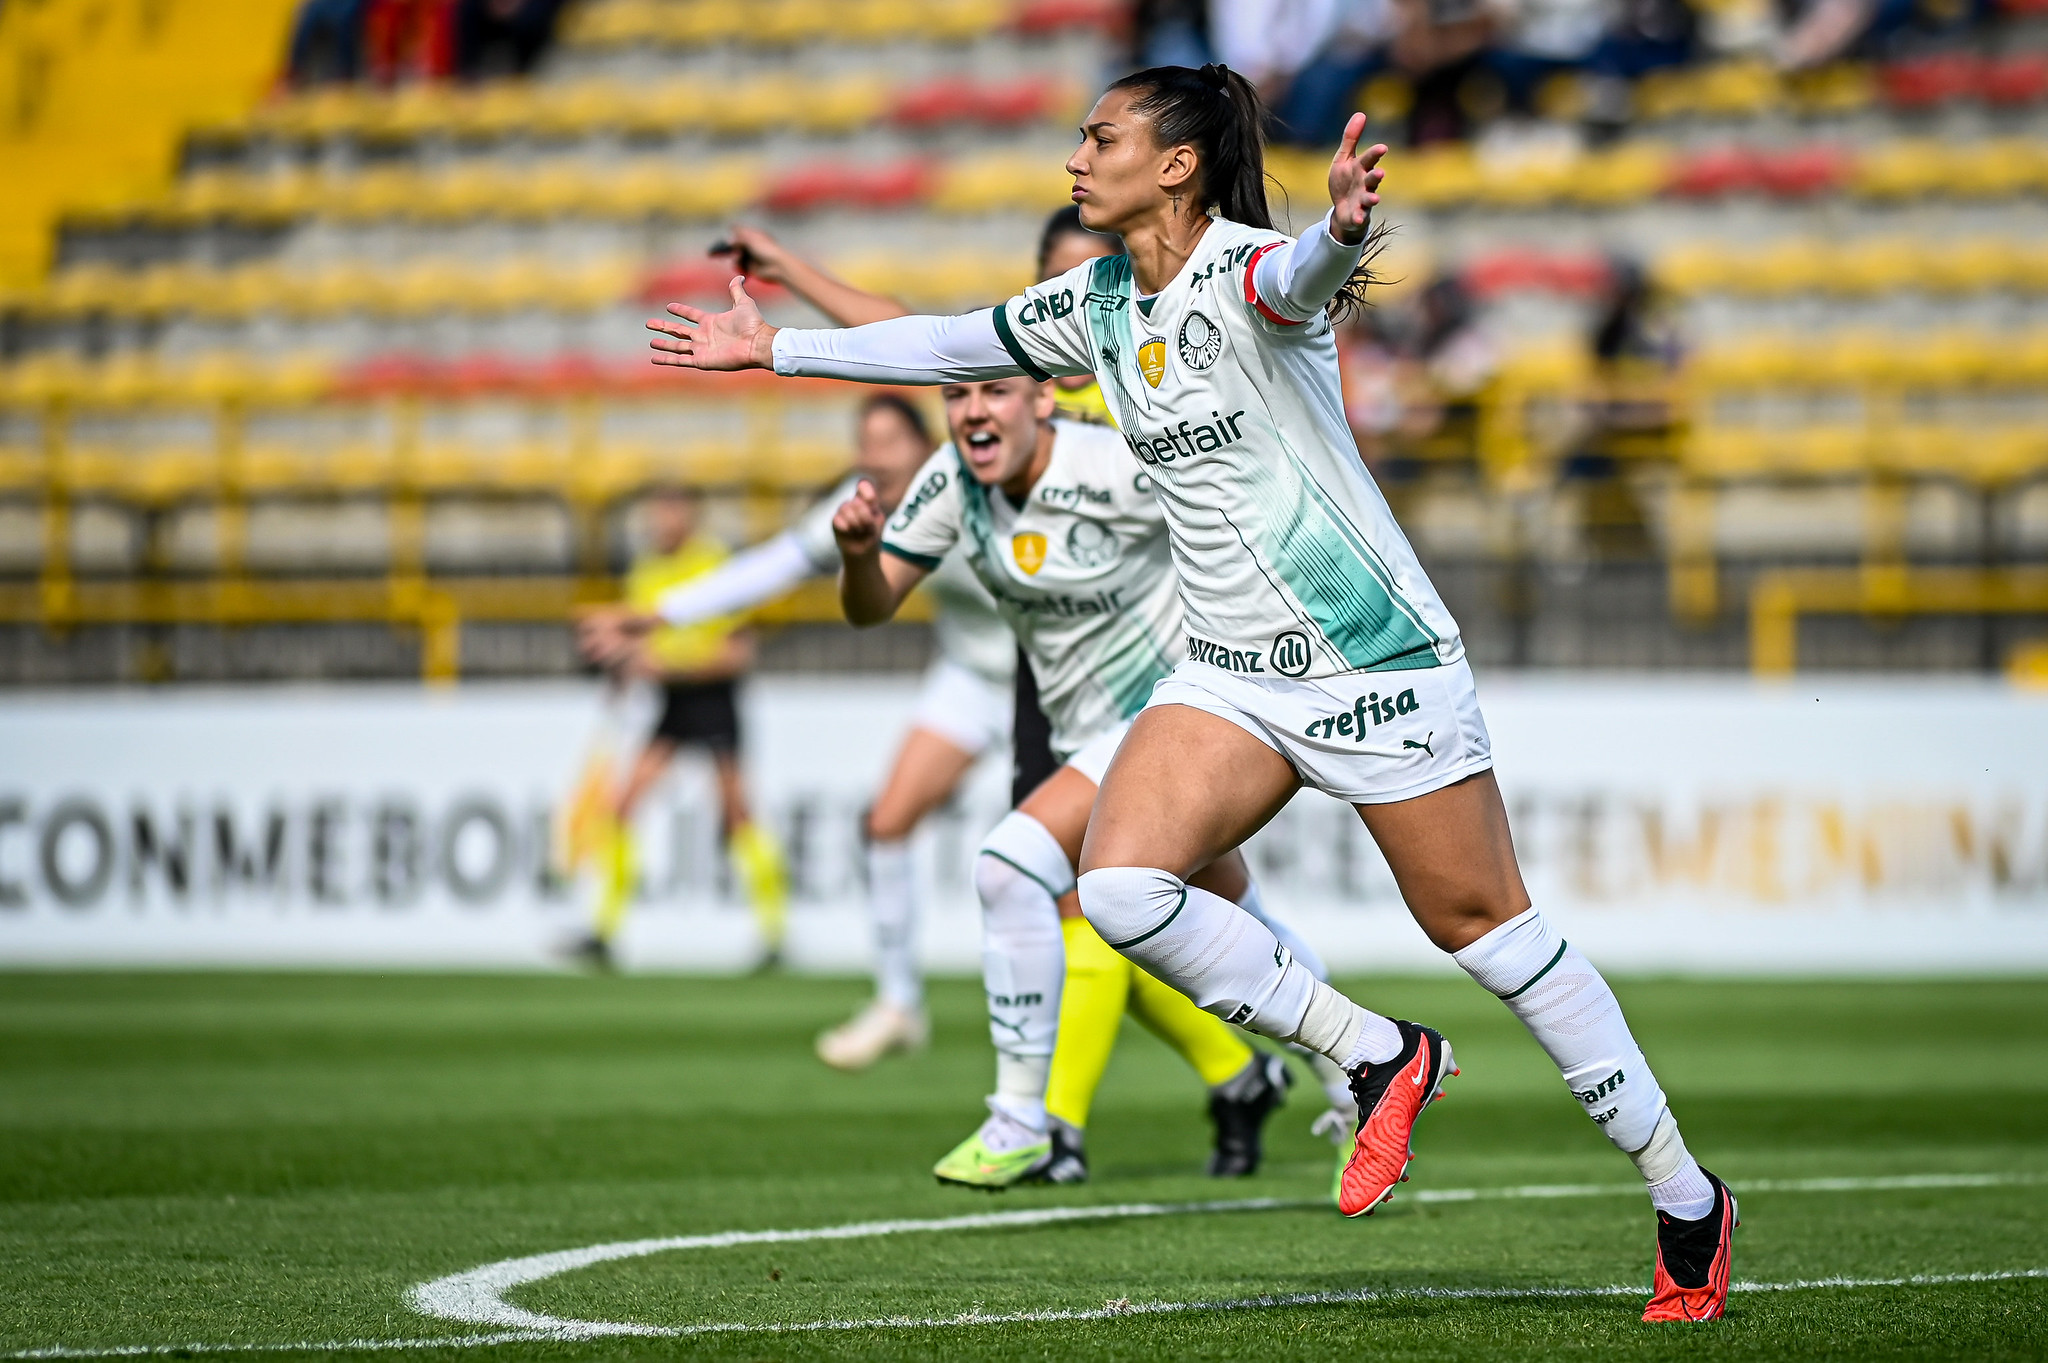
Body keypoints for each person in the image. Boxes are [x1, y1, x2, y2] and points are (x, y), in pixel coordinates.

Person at [645, 62, 1736, 1323]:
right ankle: (1372, 1051)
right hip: (1225, 674)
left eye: (1098, 136)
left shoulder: (1246, 273)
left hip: (1370, 659)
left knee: (1486, 933)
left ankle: (1680, 1190)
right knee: (1113, 886)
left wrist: (1336, 235)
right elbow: (945, 339)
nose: (1073, 156)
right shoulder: (1096, 301)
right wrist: (770, 348)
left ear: (1173, 165)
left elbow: (1299, 283)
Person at [829, 375, 1317, 1188]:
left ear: (1044, 399)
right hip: (1079, 735)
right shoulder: (952, 482)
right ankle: (1357, 1064)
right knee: (1231, 919)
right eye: (958, 395)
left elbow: (1246, 512)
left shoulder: (1117, 463)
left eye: (994, 390)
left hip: (1175, 714)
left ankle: (1029, 1119)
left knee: (1011, 866)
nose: (974, 409)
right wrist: (854, 557)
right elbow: (871, 605)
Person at [579, 392, 1007, 1065]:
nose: (873, 455)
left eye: (889, 441)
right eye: (864, 441)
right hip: (973, 676)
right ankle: (898, 1003)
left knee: (1092, 878)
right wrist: (660, 615)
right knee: (887, 824)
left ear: (927, 446)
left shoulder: (982, 479)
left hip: (1060, 674)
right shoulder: (863, 500)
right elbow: (776, 564)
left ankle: (1223, 1054)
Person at [575, 485, 789, 971]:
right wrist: (622, 671)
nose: (659, 524)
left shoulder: (713, 564)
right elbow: (634, 645)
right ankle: (603, 930)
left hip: (712, 701)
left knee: (737, 815)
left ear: (689, 516)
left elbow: (737, 654)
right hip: (672, 704)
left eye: (668, 513)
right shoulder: (646, 570)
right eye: (654, 514)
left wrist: (665, 667)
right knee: (624, 805)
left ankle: (775, 932)